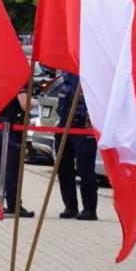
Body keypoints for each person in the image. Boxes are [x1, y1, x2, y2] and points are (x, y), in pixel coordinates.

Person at [55, 71, 98, 220]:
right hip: (64, 122)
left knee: (85, 169)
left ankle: (89, 209)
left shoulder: (91, 67)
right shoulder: (67, 69)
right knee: (63, 167)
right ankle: (70, 206)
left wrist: (90, 117)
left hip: (83, 123)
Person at [0, 95, 34, 218]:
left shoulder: (0, 78)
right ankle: (14, 206)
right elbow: (25, 105)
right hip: (11, 128)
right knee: (12, 169)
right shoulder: (20, 80)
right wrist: (32, 104)